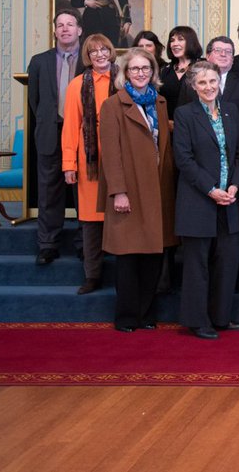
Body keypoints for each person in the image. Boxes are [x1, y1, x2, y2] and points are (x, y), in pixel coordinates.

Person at [98, 47, 178, 332]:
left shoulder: (160, 102)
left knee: (153, 257)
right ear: (124, 73)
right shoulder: (112, 105)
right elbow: (110, 153)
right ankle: (127, 317)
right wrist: (118, 191)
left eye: (146, 68)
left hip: (157, 190)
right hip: (129, 191)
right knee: (129, 257)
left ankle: (146, 314)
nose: (141, 73)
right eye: (135, 69)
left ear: (153, 72)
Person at [172, 61, 239, 339]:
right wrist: (211, 189)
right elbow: (184, 159)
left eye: (213, 81)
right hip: (199, 200)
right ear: (193, 86)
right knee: (198, 264)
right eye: (202, 82)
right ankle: (197, 320)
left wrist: (235, 186)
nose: (208, 87)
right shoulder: (184, 114)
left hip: (230, 199)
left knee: (227, 262)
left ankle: (221, 317)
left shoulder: (230, 110)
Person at [26, 8, 83, 266]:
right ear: (54, 30)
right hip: (51, 131)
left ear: (79, 29)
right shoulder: (39, 62)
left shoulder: (91, 59)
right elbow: (35, 102)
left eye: (70, 24)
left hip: (83, 135)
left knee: (84, 189)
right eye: (59, 25)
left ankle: (86, 244)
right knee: (49, 190)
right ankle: (48, 244)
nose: (64, 29)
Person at [60, 33, 116, 294]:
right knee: (92, 221)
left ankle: (123, 276)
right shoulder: (76, 85)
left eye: (104, 49)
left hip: (121, 156)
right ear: (88, 56)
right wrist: (69, 163)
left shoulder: (125, 78)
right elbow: (71, 127)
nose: (100, 55)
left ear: (111, 51)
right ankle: (92, 275)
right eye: (94, 52)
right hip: (90, 159)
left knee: (120, 215)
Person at [181, 36, 239, 132]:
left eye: (228, 51)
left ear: (232, 59)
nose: (223, 54)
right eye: (218, 50)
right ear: (207, 56)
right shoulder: (192, 81)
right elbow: (183, 114)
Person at [159, 25, 203, 118]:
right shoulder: (164, 70)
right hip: (168, 126)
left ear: (191, 42)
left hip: (194, 124)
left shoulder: (202, 67)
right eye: (172, 40)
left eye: (180, 39)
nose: (175, 44)